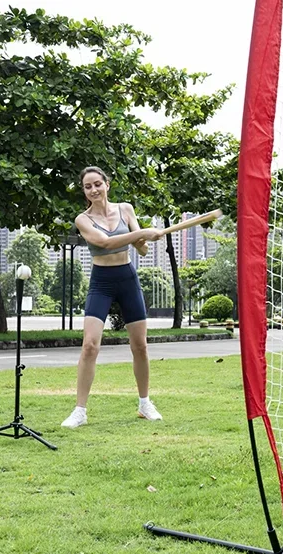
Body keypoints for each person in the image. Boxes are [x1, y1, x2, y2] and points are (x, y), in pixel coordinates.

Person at [61, 166, 164, 428]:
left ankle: (145, 403)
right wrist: (143, 233)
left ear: (107, 184)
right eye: (88, 186)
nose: (94, 190)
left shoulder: (125, 209)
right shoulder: (82, 219)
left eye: (98, 184)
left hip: (127, 278)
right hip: (101, 282)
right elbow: (105, 242)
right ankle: (80, 411)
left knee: (140, 345)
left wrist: (145, 240)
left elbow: (141, 249)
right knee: (89, 345)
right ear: (84, 191)